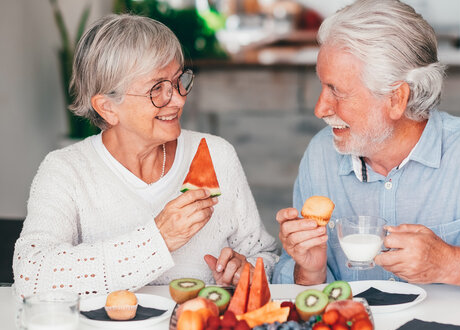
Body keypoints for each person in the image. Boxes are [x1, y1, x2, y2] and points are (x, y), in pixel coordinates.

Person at [272, 0, 460, 304]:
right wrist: (309, 272)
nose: (320, 108)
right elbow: (300, 291)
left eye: (337, 91)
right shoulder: (321, 155)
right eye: (322, 86)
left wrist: (451, 263)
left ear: (397, 98)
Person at [13, 14, 278, 299]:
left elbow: (265, 256)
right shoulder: (66, 170)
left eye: (179, 81)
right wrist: (158, 240)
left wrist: (245, 269)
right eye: (157, 89)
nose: (178, 99)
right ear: (107, 108)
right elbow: (31, 274)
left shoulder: (217, 153)